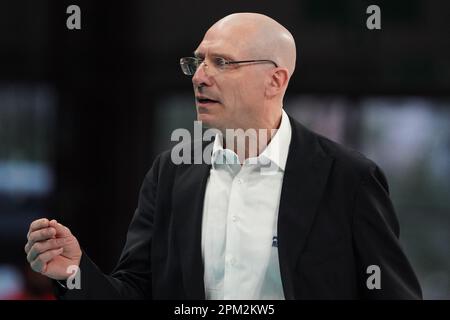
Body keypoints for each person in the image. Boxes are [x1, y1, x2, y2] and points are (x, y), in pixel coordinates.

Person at [24, 13, 422, 299]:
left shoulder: (347, 178)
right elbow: (135, 291)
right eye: (197, 62)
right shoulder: (172, 173)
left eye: (222, 63)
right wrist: (75, 273)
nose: (199, 76)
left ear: (275, 80)